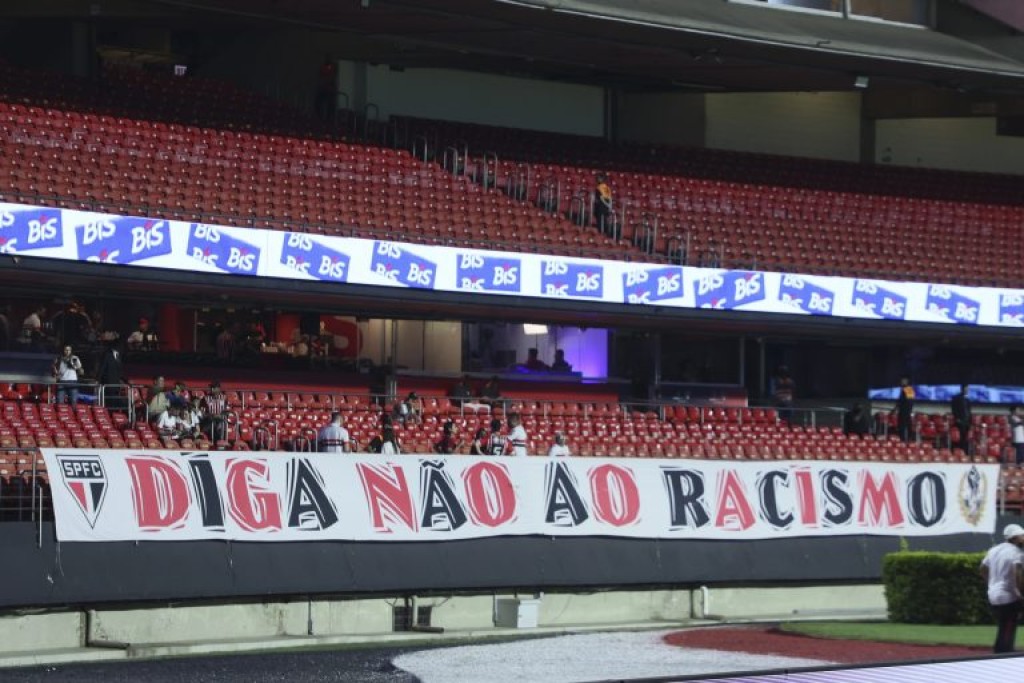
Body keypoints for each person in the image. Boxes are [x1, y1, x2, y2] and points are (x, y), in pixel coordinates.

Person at [980, 523, 1024, 654]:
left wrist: (990, 583)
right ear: (1014, 537)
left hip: (993, 594)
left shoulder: (994, 550)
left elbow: (982, 568)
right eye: (1022, 536)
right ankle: (1004, 652)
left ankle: (1001, 650)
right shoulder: (1017, 552)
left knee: (1004, 625)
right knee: (1009, 625)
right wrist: (1021, 593)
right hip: (1008, 595)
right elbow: (1018, 574)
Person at [951, 383, 972, 455]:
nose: (967, 390)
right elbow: (954, 409)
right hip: (959, 422)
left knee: (965, 439)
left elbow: (969, 411)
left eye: (968, 389)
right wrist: (957, 418)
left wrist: (970, 421)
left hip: (967, 423)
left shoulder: (967, 400)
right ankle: (957, 452)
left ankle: (965, 453)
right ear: (962, 389)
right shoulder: (956, 398)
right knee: (958, 438)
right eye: (966, 389)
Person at [895, 376, 915, 442]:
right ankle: (902, 439)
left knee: (906, 425)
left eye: (903, 380)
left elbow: (910, 401)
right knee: (901, 426)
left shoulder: (909, 389)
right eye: (901, 381)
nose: (902, 382)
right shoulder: (903, 389)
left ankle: (908, 439)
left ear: (907, 381)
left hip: (906, 410)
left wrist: (907, 410)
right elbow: (900, 400)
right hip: (902, 410)